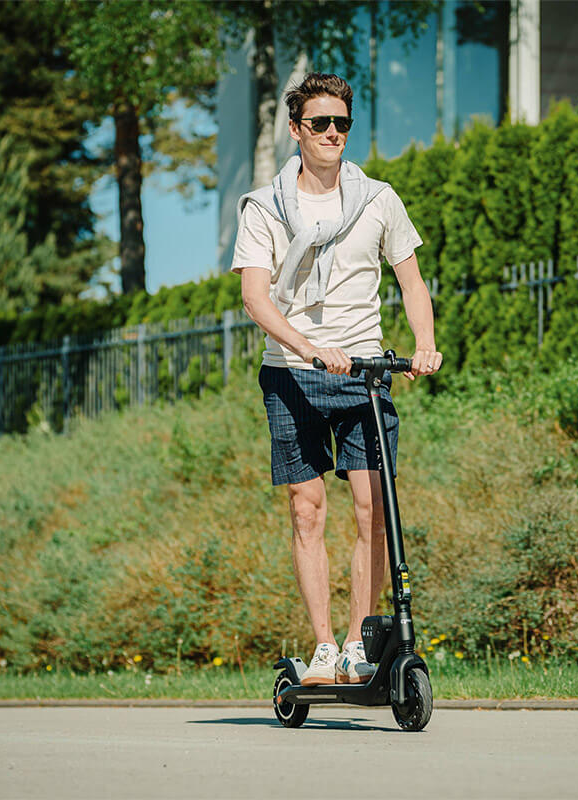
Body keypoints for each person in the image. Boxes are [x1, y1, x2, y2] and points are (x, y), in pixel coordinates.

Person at [232, 73, 442, 686]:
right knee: (307, 509)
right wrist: (308, 348)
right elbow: (254, 298)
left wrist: (424, 344)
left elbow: (412, 281)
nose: (332, 133)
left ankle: (357, 641)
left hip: (365, 373)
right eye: (319, 123)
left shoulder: (379, 199)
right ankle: (323, 645)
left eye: (341, 123)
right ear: (296, 129)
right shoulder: (263, 207)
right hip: (293, 374)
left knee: (373, 507)